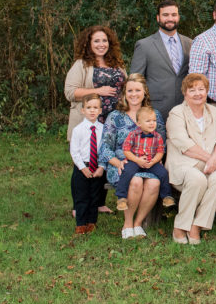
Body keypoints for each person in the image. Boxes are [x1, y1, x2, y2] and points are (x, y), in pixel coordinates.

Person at [166, 73, 216, 244]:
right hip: (183, 164)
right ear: (185, 93)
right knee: (197, 179)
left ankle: (197, 225)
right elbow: (183, 144)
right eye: (192, 90)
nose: (197, 93)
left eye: (201, 89)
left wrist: (215, 158)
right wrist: (212, 160)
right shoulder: (177, 113)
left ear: (207, 91)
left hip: (210, 164)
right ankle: (180, 227)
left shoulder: (213, 111)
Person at [100, 74, 167, 238]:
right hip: (121, 165)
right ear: (124, 93)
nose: (134, 94)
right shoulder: (115, 117)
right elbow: (105, 147)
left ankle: (138, 223)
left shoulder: (155, 115)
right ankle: (127, 224)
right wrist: (117, 163)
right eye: (130, 90)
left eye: (138, 90)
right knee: (135, 181)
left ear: (145, 92)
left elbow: (161, 145)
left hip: (148, 163)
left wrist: (151, 161)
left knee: (154, 183)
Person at [130, 0, 193, 119]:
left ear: (178, 17)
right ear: (158, 18)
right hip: (155, 110)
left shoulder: (190, 43)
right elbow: (135, 80)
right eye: (165, 15)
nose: (170, 18)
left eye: (174, 15)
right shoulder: (144, 45)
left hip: (186, 108)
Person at [65, 25, 127, 139]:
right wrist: (98, 91)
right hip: (92, 122)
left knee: (116, 156)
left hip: (116, 122)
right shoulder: (81, 64)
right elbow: (70, 92)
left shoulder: (117, 64)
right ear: (89, 44)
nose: (101, 44)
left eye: (104, 40)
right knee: (91, 156)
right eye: (96, 41)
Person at [114, 107, 175, 218]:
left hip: (150, 162)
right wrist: (137, 160)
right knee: (126, 171)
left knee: (163, 173)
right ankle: (121, 197)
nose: (152, 123)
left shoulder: (158, 137)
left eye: (154, 120)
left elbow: (160, 152)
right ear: (139, 123)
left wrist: (153, 161)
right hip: (135, 160)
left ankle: (166, 196)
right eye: (148, 121)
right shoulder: (133, 135)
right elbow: (126, 150)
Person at [69, 95, 105, 234]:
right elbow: (74, 151)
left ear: (100, 110)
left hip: (97, 167)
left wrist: (102, 167)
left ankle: (91, 222)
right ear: (83, 110)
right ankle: (81, 224)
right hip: (82, 167)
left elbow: (104, 149)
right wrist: (82, 168)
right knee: (81, 196)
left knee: (94, 196)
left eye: (95, 108)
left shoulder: (103, 129)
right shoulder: (78, 130)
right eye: (89, 107)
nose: (92, 111)